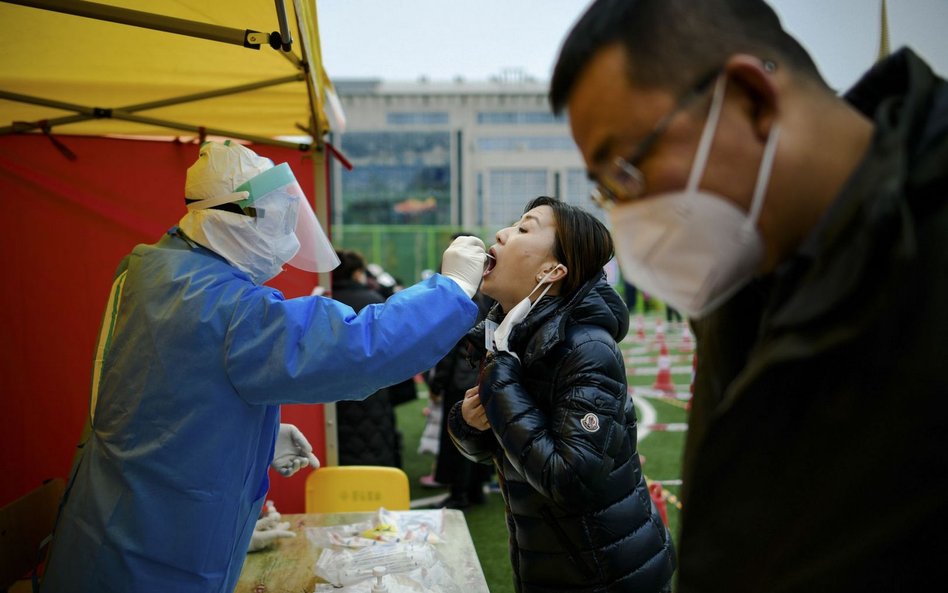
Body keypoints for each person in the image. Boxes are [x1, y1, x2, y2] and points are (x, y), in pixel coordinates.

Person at [550, 1, 948, 591]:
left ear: (753, 99)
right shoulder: (742, 277)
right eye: (607, 190)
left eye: (628, 170)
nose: (624, 215)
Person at [42, 140, 487, 593]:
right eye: (276, 220)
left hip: (120, 521)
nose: (285, 238)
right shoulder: (221, 303)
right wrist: (449, 289)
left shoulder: (155, 270)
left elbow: (160, 392)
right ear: (232, 217)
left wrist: (249, 433)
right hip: (152, 553)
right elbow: (359, 346)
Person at [448, 196, 676, 592]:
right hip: (552, 565)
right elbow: (498, 448)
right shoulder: (512, 336)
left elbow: (570, 479)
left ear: (551, 271)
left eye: (524, 229)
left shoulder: (586, 347)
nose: (501, 234)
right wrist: (467, 423)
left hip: (610, 574)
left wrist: (500, 378)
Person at [330, 249, 400, 467]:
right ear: (356, 273)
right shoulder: (373, 301)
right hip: (372, 390)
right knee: (373, 445)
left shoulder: (324, 301)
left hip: (331, 390)